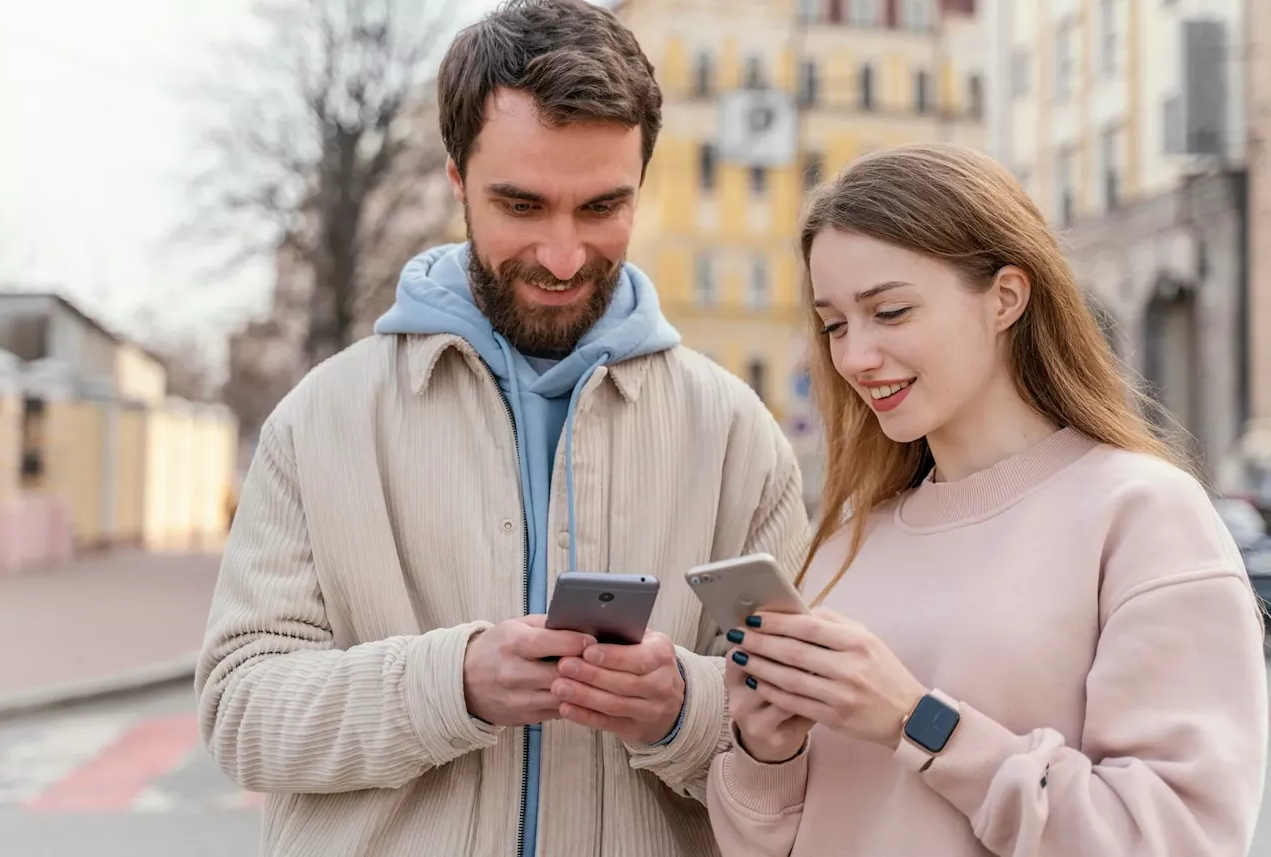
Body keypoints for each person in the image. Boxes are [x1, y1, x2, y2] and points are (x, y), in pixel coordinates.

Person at [194, 1, 809, 855]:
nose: (563, 255)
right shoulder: (320, 419)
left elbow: (799, 744)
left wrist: (683, 709)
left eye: (603, 208)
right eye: (522, 205)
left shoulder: (737, 433)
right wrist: (453, 684)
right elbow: (240, 712)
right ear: (457, 180)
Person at [706, 142, 1269, 856]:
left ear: (1006, 296)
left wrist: (913, 720)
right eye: (836, 323)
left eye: (890, 310)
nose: (854, 356)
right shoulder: (847, 540)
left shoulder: (1142, 514)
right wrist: (765, 752)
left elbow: (1174, 839)